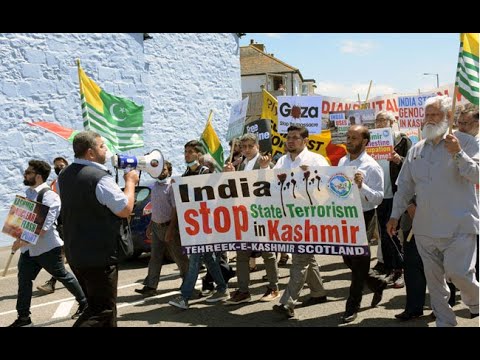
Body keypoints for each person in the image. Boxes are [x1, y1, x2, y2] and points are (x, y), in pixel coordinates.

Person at [387, 95, 479, 327]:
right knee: (435, 281)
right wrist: (395, 215)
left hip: (459, 225)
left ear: (449, 117)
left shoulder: (467, 142)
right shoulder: (417, 149)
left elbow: (477, 174)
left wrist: (458, 153)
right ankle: (445, 322)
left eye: (435, 115)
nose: (429, 119)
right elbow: (405, 185)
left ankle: (475, 301)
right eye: (427, 115)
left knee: (459, 273)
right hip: (425, 228)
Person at [58, 130, 139, 327]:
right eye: (102, 146)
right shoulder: (99, 177)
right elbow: (125, 209)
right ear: (90, 153)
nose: (107, 150)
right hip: (99, 256)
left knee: (99, 308)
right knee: (103, 311)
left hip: (76, 252)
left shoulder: (63, 175)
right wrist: (130, 183)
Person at [8, 160, 87, 327]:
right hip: (28, 250)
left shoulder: (51, 197)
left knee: (62, 275)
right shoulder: (28, 194)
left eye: (28, 173)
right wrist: (17, 234)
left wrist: (21, 241)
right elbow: (24, 222)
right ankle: (23, 318)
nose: (25, 175)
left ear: (37, 176)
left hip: (47, 248)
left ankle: (85, 303)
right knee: (23, 282)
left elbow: (43, 228)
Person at [267, 125, 329, 319]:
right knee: (305, 256)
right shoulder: (282, 161)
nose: (290, 141)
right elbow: (273, 185)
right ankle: (318, 292)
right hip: (289, 217)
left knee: (300, 258)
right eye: (288, 137)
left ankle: (287, 302)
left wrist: (309, 186)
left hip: (310, 217)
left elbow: (326, 188)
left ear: (305, 141)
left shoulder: (316, 160)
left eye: (295, 137)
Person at [168, 140, 229, 310]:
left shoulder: (206, 172)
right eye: (185, 151)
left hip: (207, 223)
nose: (186, 154)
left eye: (190, 151)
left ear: (198, 154)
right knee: (209, 258)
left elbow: (217, 187)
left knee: (195, 259)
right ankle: (222, 288)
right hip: (194, 224)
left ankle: (185, 297)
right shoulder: (187, 174)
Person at [338, 125, 388, 323]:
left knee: (358, 262)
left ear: (365, 142)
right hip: (344, 215)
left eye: (354, 138)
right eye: (348, 137)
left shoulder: (372, 166)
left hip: (364, 216)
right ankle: (377, 283)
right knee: (348, 259)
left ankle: (352, 305)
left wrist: (362, 185)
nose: (349, 141)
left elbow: (378, 198)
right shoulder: (343, 160)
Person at [224, 133, 280, 304]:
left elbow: (271, 185)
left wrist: (264, 168)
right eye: (244, 146)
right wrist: (230, 175)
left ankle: (273, 287)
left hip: (261, 215)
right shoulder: (240, 164)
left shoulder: (265, 163)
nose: (246, 149)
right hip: (244, 216)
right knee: (242, 254)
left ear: (257, 147)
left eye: (250, 146)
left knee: (267, 252)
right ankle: (243, 290)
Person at [135, 160, 189, 297]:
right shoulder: (155, 186)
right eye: (159, 169)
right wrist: (150, 226)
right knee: (155, 257)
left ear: (169, 171)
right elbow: (155, 208)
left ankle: (188, 283)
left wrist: (171, 229)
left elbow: (175, 209)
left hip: (169, 226)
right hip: (157, 227)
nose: (161, 172)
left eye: (164, 169)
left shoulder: (171, 186)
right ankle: (151, 286)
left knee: (179, 257)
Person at [373, 111, 412, 288]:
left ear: (392, 122)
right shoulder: (372, 140)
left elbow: (411, 165)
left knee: (395, 233)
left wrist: (398, 159)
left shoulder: (403, 140)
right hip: (381, 194)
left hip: (396, 194)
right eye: (378, 120)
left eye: (383, 120)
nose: (380, 123)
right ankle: (390, 269)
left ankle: (401, 270)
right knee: (384, 234)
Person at [37, 156, 69, 295]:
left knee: (66, 254)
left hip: (72, 220)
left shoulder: (72, 181)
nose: (58, 168)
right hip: (61, 222)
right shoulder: (53, 184)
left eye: (61, 166)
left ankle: (53, 283)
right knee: (63, 253)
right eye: (56, 166)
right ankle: (53, 282)